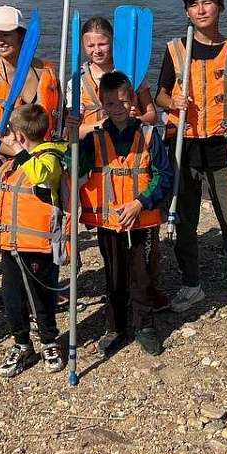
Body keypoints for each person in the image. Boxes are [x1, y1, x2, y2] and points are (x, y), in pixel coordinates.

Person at [155, 0, 227, 319]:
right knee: (185, 223)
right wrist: (173, 100)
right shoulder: (175, 50)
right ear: (187, 12)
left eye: (206, 3)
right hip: (183, 149)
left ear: (219, 7)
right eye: (193, 4)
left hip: (222, 147)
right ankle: (192, 284)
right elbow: (159, 95)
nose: (200, 9)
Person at [68, 15, 166, 312]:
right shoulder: (76, 81)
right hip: (99, 161)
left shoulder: (131, 74)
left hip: (134, 157)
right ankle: (118, 305)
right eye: (90, 45)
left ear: (113, 43)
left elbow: (152, 116)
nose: (97, 50)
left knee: (145, 243)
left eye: (103, 43)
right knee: (109, 242)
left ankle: (148, 295)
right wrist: (92, 125)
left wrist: (128, 115)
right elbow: (69, 131)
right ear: (83, 47)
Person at [78, 71, 175, 357]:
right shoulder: (93, 137)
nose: (117, 107)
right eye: (110, 103)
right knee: (114, 276)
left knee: (141, 276)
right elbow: (74, 166)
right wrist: (72, 135)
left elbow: (164, 175)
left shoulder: (147, 135)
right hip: (108, 222)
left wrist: (140, 203)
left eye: (122, 101)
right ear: (102, 103)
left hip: (139, 220)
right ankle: (116, 327)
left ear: (132, 99)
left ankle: (145, 327)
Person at [0, 104, 68, 377]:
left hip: (38, 246)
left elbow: (39, 177)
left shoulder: (49, 159)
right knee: (12, 298)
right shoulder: (12, 164)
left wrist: (18, 150)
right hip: (11, 243)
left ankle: (49, 340)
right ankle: (22, 342)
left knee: (41, 297)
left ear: (20, 136)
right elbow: (12, 198)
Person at [0, 5, 60, 162]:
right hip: (4, 157)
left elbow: (60, 118)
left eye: (5, 34)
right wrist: (18, 153)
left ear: (21, 35)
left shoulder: (47, 71)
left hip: (44, 157)